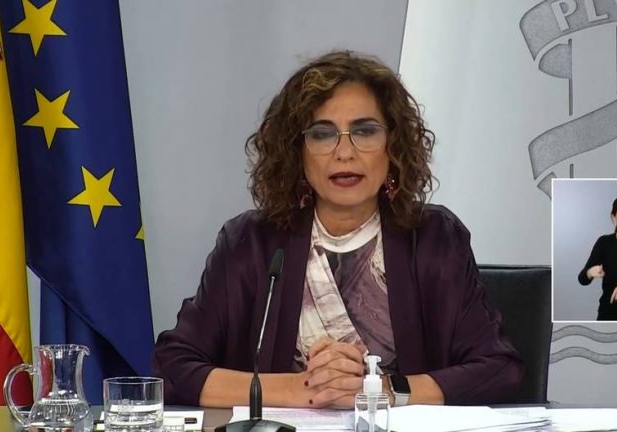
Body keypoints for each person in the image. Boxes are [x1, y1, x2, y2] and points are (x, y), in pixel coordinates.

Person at [153, 50, 523, 409]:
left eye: (365, 131)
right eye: (322, 134)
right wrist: (301, 389)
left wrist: (385, 390)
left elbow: (498, 370)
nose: (344, 153)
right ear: (296, 151)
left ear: (393, 145)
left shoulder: (433, 238)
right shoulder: (250, 243)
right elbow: (171, 368)